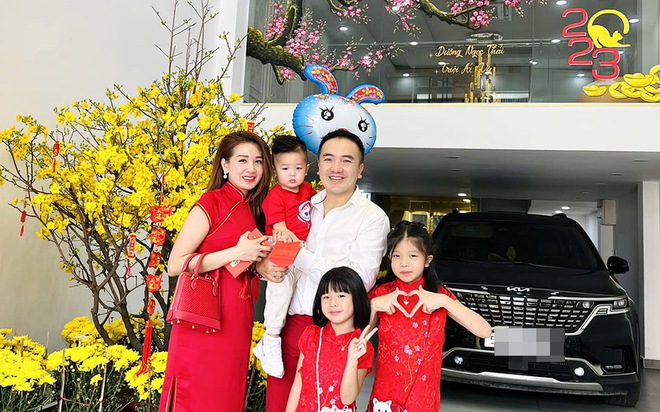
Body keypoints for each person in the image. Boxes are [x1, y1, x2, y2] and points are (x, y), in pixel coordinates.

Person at [262, 129, 390, 411]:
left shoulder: (372, 218)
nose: (336, 168)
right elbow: (272, 247)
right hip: (290, 326)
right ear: (317, 167)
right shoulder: (303, 203)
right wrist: (264, 265)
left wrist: (298, 254)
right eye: (329, 159)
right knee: (279, 405)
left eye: (346, 160)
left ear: (360, 169)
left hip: (337, 333)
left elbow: (356, 280)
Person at [159, 131, 276, 412]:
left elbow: (241, 265)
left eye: (258, 161)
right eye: (242, 160)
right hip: (203, 319)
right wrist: (236, 252)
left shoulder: (254, 210)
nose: (251, 168)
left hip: (238, 317)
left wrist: (262, 269)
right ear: (225, 164)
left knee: (226, 394)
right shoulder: (211, 202)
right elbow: (175, 264)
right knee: (197, 395)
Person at [368, 220, 492, 412]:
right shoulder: (382, 293)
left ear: (427, 260)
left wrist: (445, 301)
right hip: (385, 397)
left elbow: (484, 331)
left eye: (413, 255)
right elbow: (360, 335)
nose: (404, 263)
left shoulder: (439, 295)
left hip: (422, 399)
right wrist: (374, 306)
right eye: (397, 255)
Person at [255, 135, 316, 378]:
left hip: (303, 249)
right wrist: (288, 239)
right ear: (274, 170)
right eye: (285, 168)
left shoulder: (308, 190)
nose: (292, 174)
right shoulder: (276, 195)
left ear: (307, 169)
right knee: (280, 287)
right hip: (283, 244)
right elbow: (280, 229)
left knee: (301, 289)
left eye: (298, 168)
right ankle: (270, 337)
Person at [285, 267, 378, 412]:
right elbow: (298, 384)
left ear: (356, 299)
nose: (332, 303)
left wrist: (352, 360)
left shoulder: (361, 347)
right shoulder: (311, 335)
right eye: (326, 296)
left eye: (341, 295)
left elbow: (347, 399)